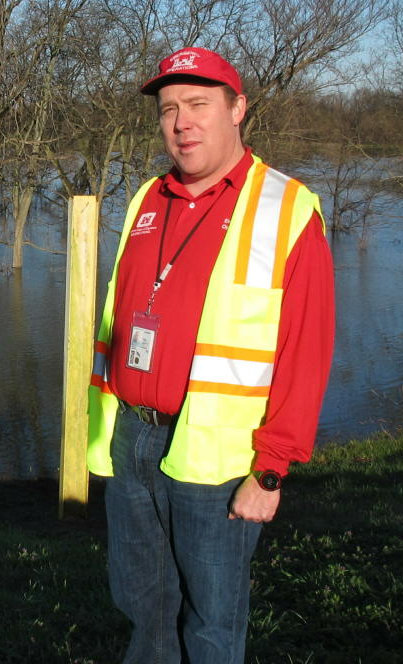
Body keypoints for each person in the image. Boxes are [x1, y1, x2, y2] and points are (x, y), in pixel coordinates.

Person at [86, 47, 335, 664]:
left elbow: (306, 353)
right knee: (143, 613)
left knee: (212, 627)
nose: (181, 122)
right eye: (169, 109)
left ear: (237, 110)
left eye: (198, 104)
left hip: (218, 460)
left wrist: (271, 469)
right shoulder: (147, 198)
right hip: (132, 443)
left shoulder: (287, 210)